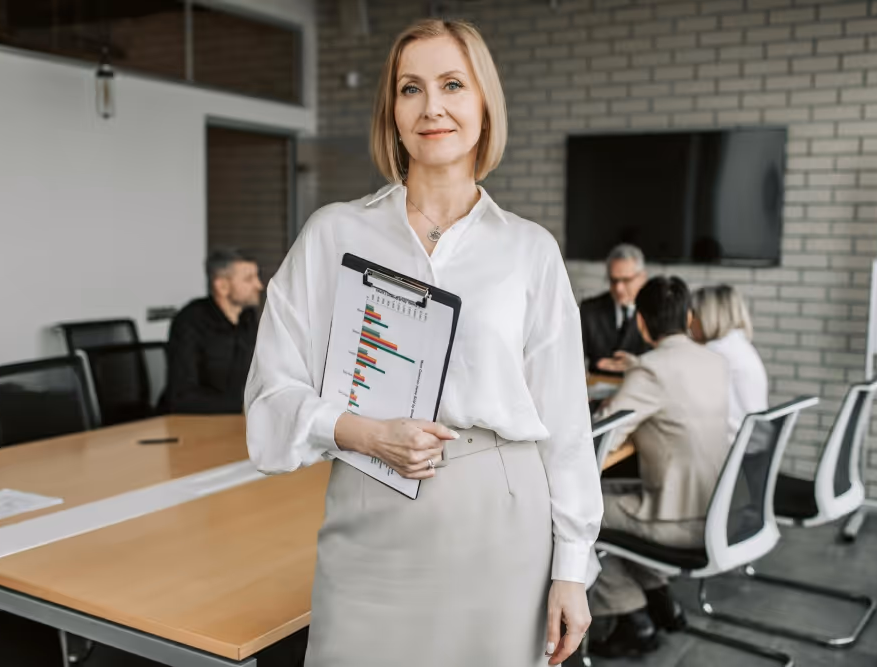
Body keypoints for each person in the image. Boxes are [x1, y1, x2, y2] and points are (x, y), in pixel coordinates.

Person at [244, 19, 601, 667]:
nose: (432, 105)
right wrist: (360, 431)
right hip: (370, 506)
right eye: (411, 88)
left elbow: (567, 423)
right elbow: (270, 399)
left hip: (502, 517)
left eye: (452, 85)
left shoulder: (529, 250)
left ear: (483, 104)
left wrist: (572, 566)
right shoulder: (333, 235)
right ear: (393, 112)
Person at [588, 276, 729, 659]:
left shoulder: (650, 371)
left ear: (640, 323)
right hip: (716, 508)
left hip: (679, 521)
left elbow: (602, 439)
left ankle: (630, 614)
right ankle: (657, 593)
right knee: (610, 495)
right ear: (688, 317)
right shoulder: (715, 361)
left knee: (577, 510)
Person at [163, 248, 262, 414]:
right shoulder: (190, 321)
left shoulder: (248, 319)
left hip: (236, 422)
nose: (259, 285)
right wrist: (242, 406)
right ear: (222, 286)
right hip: (192, 424)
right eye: (248, 279)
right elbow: (182, 398)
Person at [691, 284, 768, 443]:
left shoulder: (715, 353)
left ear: (706, 317)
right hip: (750, 449)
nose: (689, 324)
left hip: (730, 450)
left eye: (693, 315)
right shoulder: (739, 346)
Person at [580, 244, 651, 375]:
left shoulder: (655, 311)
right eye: (613, 280)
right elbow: (573, 358)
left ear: (642, 278)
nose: (619, 288)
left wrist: (637, 364)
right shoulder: (589, 310)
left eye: (626, 280)